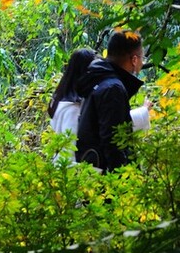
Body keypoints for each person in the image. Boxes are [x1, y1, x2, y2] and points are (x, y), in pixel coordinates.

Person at [74, 29, 148, 172]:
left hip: (90, 169)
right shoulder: (112, 88)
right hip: (105, 178)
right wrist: (123, 180)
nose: (142, 61)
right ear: (134, 60)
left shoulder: (98, 78)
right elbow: (113, 142)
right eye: (141, 56)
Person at [49, 46, 150, 138]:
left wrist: (143, 111)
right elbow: (105, 127)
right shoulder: (73, 109)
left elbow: (105, 123)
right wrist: (143, 112)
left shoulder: (62, 100)